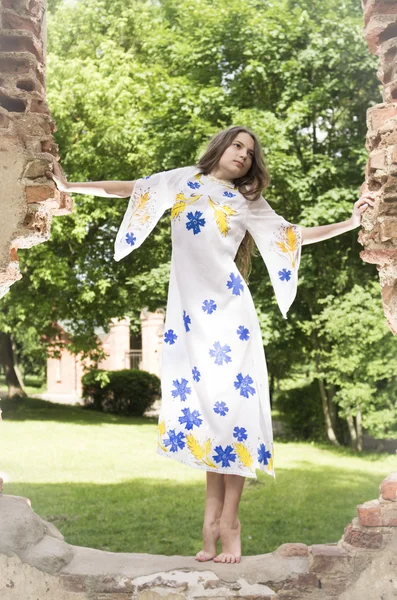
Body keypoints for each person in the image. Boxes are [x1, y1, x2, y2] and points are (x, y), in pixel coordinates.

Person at [47, 125, 374, 564]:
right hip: (189, 325)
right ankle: (209, 525)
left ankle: (229, 524)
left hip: (232, 321)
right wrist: (71, 186)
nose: (242, 155)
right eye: (237, 145)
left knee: (233, 415)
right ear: (221, 147)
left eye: (249, 152)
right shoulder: (182, 181)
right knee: (206, 415)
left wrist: (352, 222)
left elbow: (292, 236)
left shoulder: (248, 201)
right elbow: (127, 190)